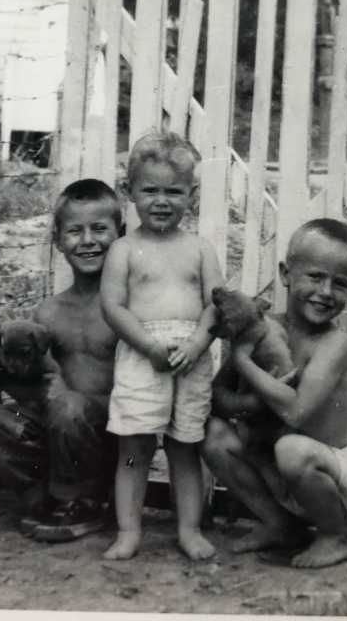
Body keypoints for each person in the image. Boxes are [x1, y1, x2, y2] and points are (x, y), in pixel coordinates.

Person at [203, 218, 347, 568]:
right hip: (281, 472)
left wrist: (244, 362)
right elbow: (216, 397)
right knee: (214, 435)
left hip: (339, 478)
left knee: (291, 448)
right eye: (315, 277)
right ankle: (280, 526)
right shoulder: (263, 328)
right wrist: (249, 406)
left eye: (340, 284)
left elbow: (296, 413)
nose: (325, 292)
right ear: (286, 274)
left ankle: (334, 537)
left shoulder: (334, 344)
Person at [0, 178, 123, 542]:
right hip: (59, 428)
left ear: (122, 233)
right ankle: (43, 497)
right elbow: (37, 390)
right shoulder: (49, 312)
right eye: (75, 231)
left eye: (100, 229)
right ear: (57, 240)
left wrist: (70, 401)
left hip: (110, 433)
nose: (87, 240)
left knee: (68, 407)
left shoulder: (125, 307)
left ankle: (85, 500)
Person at [100, 132, 223, 561]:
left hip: (191, 356)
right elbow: (113, 307)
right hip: (141, 354)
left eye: (174, 191)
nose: (161, 201)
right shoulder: (124, 249)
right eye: (150, 190)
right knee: (134, 447)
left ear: (192, 194)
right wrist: (148, 345)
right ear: (129, 191)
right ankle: (128, 531)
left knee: (185, 446)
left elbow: (216, 304)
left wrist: (198, 341)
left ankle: (189, 529)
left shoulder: (200, 249)